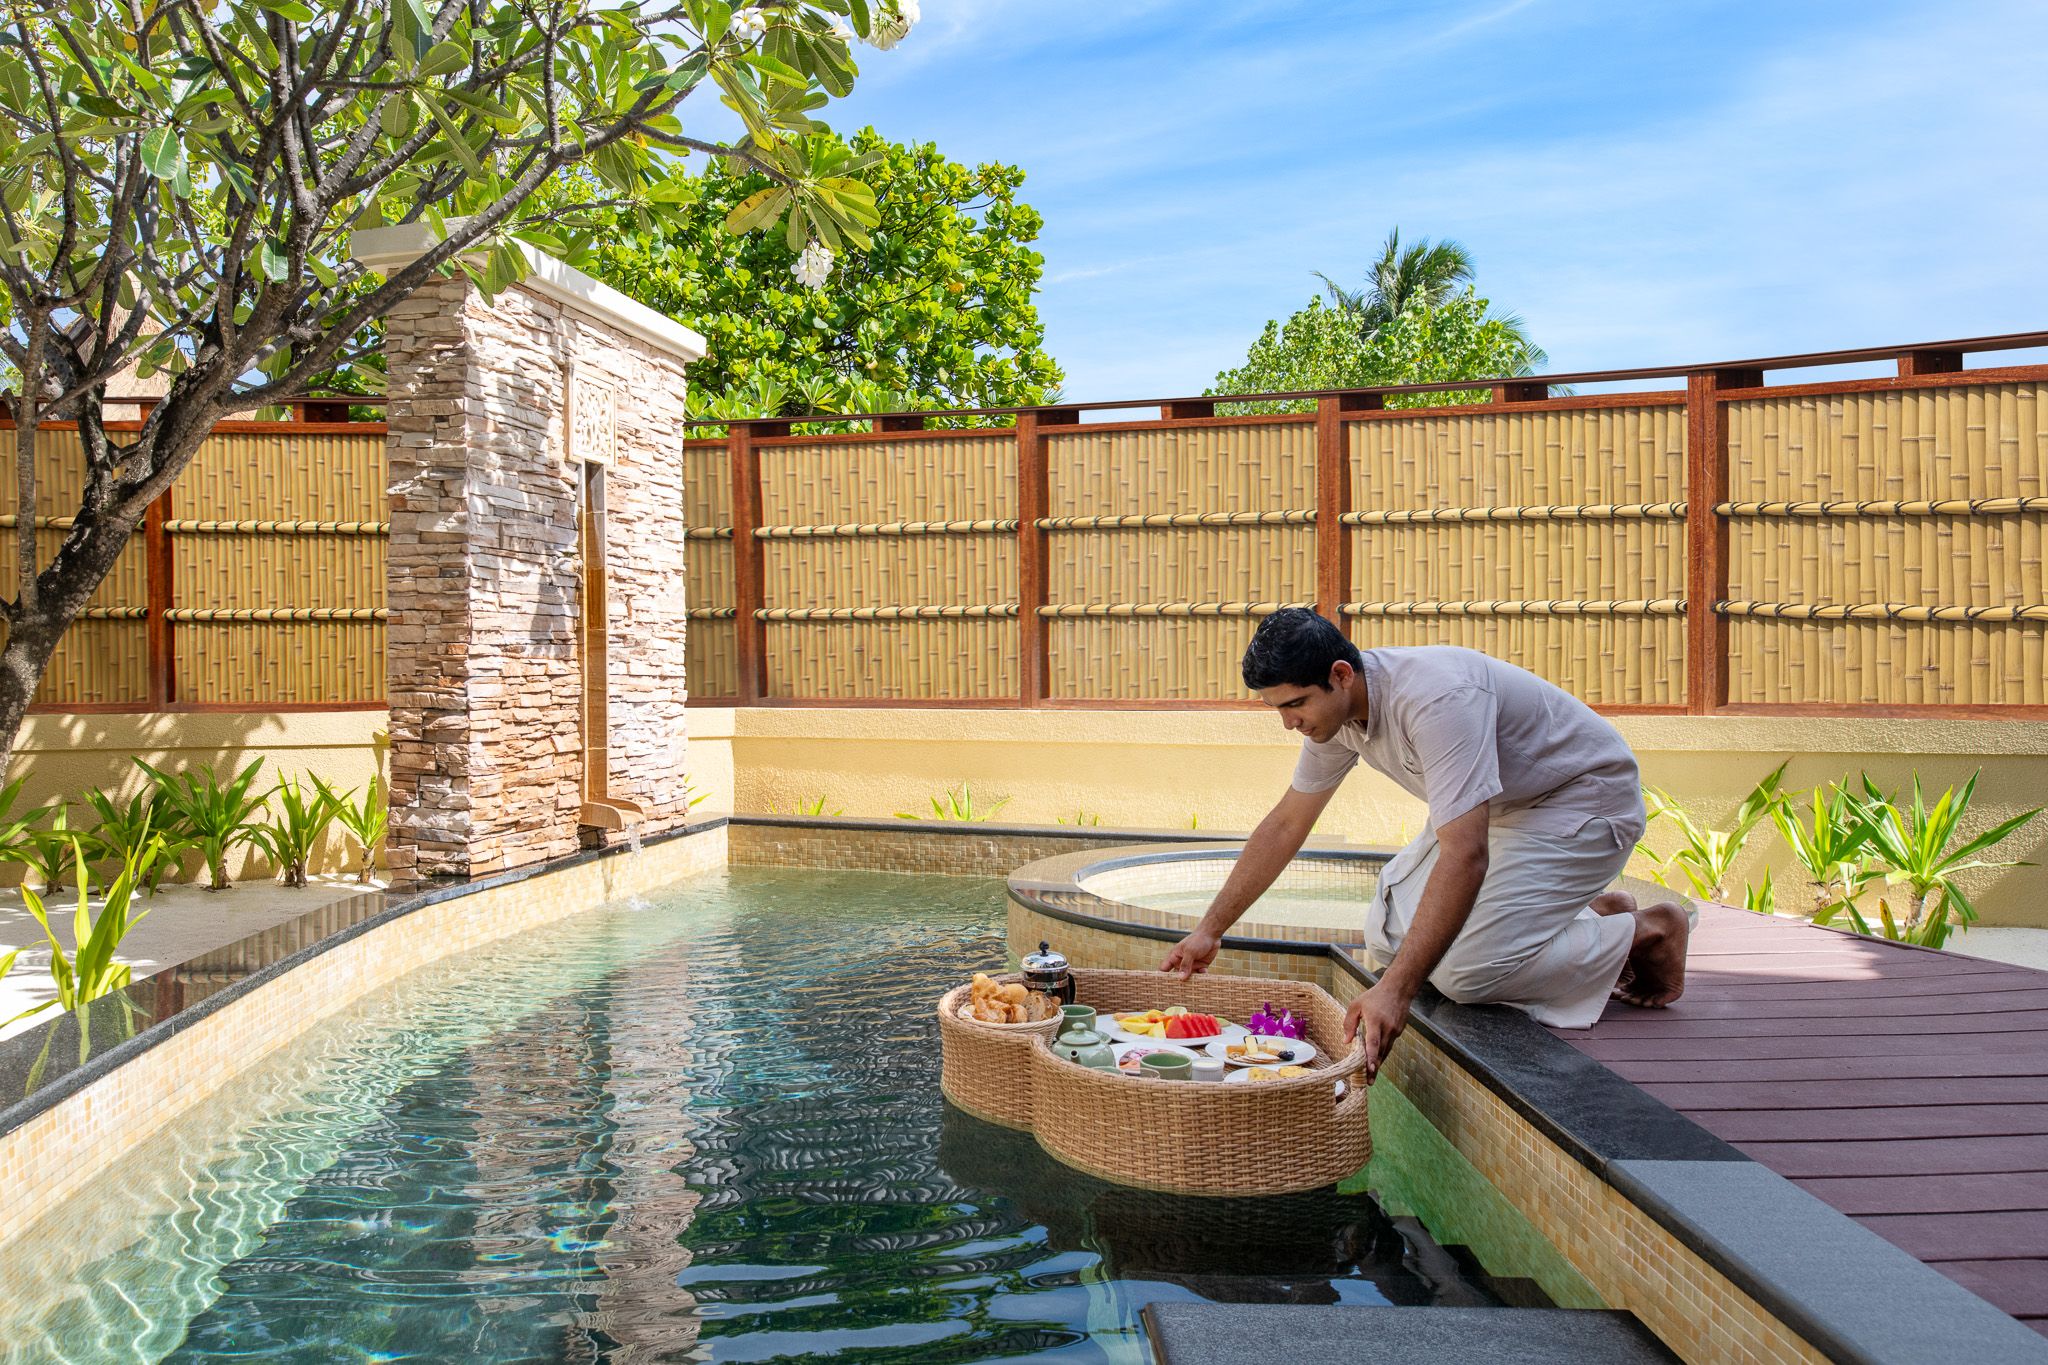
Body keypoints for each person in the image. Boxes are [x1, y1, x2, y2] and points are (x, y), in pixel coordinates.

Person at [1159, 608, 1689, 1083]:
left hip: (1584, 803)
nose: (1289, 721)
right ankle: (1591, 913)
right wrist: (1209, 930)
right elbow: (1286, 825)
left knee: (1465, 974)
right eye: (1277, 708)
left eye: (1296, 704)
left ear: (1340, 676)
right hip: (1508, 806)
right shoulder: (1337, 717)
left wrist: (1396, 992)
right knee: (1388, 936)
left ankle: (1647, 932)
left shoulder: (1437, 698)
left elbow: (1466, 853)